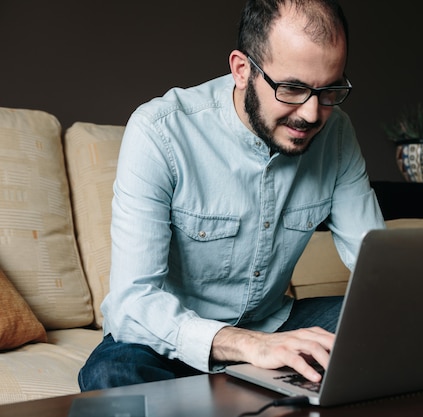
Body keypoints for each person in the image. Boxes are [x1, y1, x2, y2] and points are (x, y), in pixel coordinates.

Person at [78, 0, 385, 391]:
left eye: (328, 91)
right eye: (292, 88)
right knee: (110, 375)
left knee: (390, 326)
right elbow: (132, 304)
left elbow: (376, 263)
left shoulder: (336, 133)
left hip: (275, 323)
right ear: (243, 70)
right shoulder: (160, 132)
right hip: (169, 338)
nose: (311, 114)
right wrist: (249, 346)